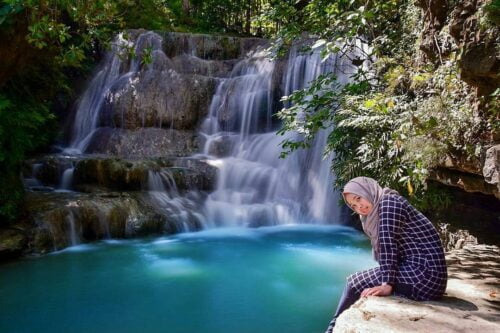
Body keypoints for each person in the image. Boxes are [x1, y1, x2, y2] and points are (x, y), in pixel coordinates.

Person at [325, 176, 447, 332]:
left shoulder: (389, 203)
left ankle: (331, 329)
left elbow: (387, 244)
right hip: (425, 273)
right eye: (353, 205)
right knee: (359, 282)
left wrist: (386, 284)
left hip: (424, 275)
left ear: (367, 191)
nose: (359, 207)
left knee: (354, 283)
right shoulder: (382, 206)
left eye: (359, 198)